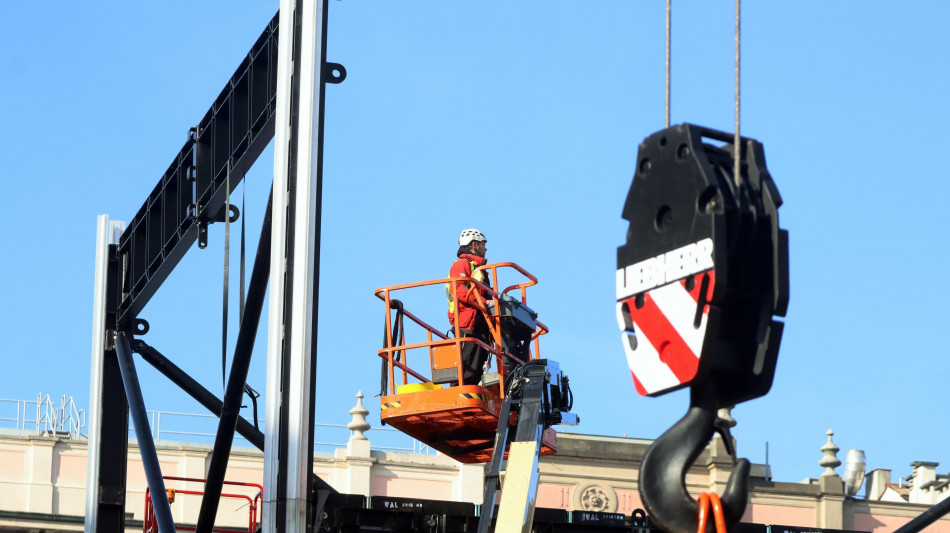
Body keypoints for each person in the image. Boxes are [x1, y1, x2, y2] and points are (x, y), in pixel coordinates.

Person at [446, 229, 494, 385]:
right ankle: (457, 393)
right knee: (465, 367)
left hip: (480, 323)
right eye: (482, 244)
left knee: (476, 365)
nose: (485, 248)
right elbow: (459, 289)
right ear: (474, 245)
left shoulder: (478, 269)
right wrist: (483, 302)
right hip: (467, 323)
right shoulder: (462, 265)